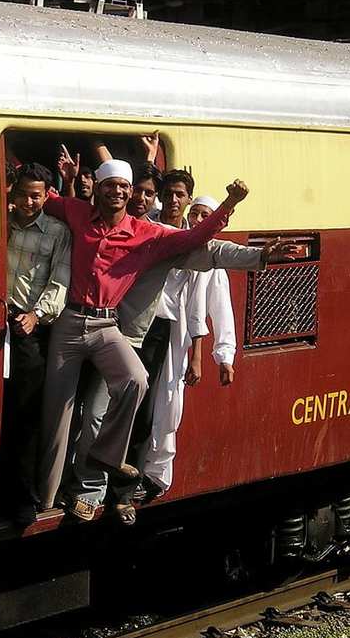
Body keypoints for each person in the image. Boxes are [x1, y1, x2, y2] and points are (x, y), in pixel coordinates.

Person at [62, 160, 300, 523]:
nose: (139, 197)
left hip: (136, 336)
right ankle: (87, 489)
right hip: (96, 328)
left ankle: (111, 493)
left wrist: (262, 255)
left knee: (128, 414)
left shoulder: (156, 237)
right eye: (135, 190)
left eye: (146, 192)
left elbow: (215, 253)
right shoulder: (105, 224)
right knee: (90, 414)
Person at [35, 158, 250, 519]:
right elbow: (44, 198)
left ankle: (106, 458)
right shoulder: (76, 212)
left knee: (137, 381)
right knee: (58, 415)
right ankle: (45, 498)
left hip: (108, 326)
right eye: (109, 185)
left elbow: (195, 239)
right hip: (70, 321)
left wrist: (228, 205)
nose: (117, 191)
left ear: (130, 191)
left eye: (123, 186)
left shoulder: (145, 232)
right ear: (99, 190)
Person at [142, 195, 237, 497]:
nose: (197, 220)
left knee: (169, 404)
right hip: (157, 330)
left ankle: (156, 474)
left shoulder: (214, 265)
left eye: (204, 215)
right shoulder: (172, 243)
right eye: (194, 214)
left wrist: (223, 356)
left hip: (180, 339)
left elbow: (221, 313)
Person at [2, 163, 72, 526]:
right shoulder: (1, 222)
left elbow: (59, 280)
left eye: (37, 195)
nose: (29, 202)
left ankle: (22, 497)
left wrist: (36, 315)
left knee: (25, 415)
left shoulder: (57, 232)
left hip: (28, 327)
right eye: (24, 194)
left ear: (47, 196)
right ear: (12, 193)